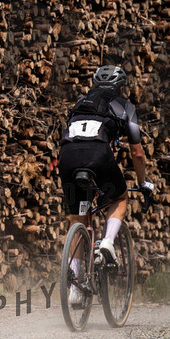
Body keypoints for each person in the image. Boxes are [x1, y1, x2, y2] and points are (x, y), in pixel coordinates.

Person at [58, 65, 153, 304]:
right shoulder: (125, 106)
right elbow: (137, 152)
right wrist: (142, 183)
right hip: (97, 155)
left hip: (67, 157)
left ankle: (75, 288)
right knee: (119, 197)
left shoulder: (80, 103)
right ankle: (108, 243)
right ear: (120, 88)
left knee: (78, 217)